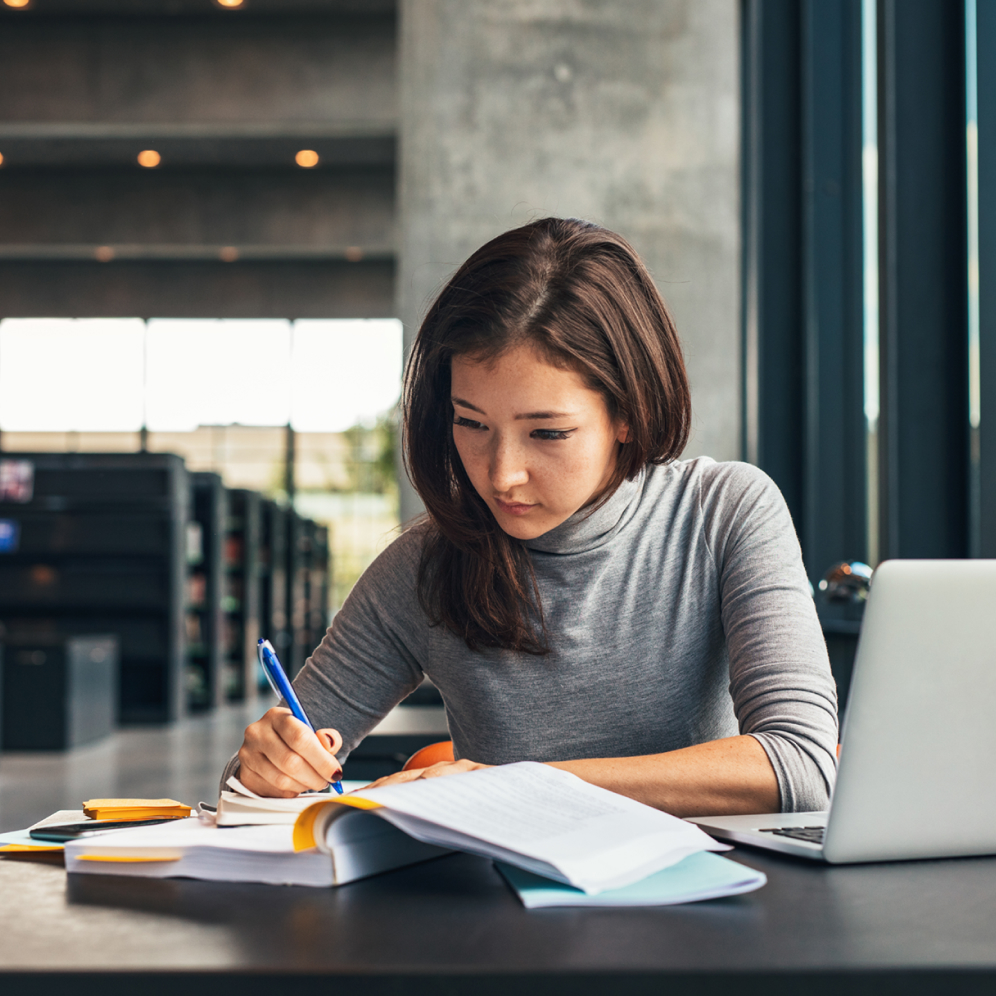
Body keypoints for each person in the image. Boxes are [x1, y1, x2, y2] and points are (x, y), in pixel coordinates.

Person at [229, 217, 838, 817]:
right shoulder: (422, 566)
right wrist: (265, 769)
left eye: (547, 432)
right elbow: (247, 788)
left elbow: (802, 765)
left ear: (627, 413)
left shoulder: (723, 512)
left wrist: (513, 785)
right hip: (505, 910)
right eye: (471, 424)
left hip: (708, 900)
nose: (501, 475)